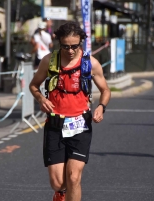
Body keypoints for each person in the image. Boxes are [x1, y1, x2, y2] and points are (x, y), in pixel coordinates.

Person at [29, 21, 111, 201]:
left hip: (80, 125)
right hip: (55, 126)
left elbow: (106, 90)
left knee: (73, 177)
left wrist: (101, 107)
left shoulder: (90, 63)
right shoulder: (48, 61)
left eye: (74, 46)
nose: (70, 50)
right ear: (59, 43)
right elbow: (34, 85)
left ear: (81, 42)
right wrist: (41, 99)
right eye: (65, 46)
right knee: (58, 182)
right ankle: (60, 193)